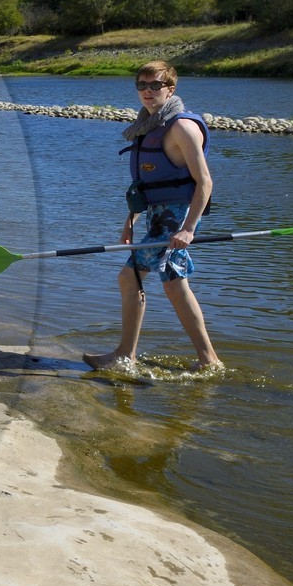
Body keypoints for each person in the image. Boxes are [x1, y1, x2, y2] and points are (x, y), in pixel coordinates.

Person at [84, 61, 223, 372]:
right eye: (142, 85)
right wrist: (129, 222)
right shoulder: (147, 126)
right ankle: (209, 361)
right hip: (157, 216)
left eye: (155, 85)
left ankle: (124, 355)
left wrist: (188, 230)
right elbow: (143, 186)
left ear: (170, 89)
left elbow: (205, 182)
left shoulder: (181, 127)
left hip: (177, 217)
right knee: (174, 284)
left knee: (129, 276)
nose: (147, 91)